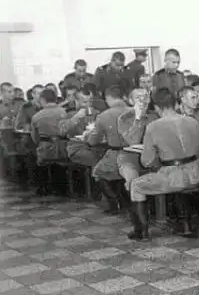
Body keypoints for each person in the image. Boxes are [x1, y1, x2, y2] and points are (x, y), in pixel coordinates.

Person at [126, 88, 199, 240]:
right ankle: (186, 226)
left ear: (157, 107)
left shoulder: (153, 127)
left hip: (173, 177)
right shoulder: (192, 122)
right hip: (196, 174)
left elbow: (146, 162)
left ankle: (141, 231)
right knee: (180, 184)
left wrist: (160, 157)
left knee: (135, 185)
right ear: (175, 103)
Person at [88, 85, 129, 214]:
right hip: (138, 154)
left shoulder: (104, 116)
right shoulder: (136, 111)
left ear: (108, 98)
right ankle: (125, 199)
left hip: (117, 154)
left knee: (97, 172)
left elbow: (92, 141)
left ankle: (114, 202)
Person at [117, 87, 158, 192]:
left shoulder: (155, 116)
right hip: (130, 158)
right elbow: (133, 141)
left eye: (145, 97)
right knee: (133, 181)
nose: (142, 100)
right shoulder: (124, 118)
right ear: (131, 101)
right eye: (138, 97)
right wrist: (138, 118)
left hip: (151, 157)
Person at [59, 87, 105, 168]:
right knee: (95, 159)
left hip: (95, 146)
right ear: (76, 101)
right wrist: (76, 117)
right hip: (77, 147)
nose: (88, 105)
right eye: (84, 102)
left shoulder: (96, 113)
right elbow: (62, 132)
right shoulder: (67, 113)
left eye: (90, 101)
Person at [30, 89, 68, 166]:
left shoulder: (36, 117)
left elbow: (35, 139)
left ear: (42, 100)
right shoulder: (65, 113)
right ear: (56, 99)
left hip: (45, 153)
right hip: (64, 151)